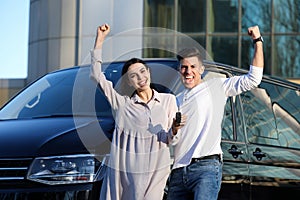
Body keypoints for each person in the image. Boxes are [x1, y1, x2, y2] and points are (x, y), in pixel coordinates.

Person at [166, 25, 264, 200]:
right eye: (184, 67)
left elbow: (253, 79)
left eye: (193, 67)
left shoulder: (217, 86)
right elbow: (172, 140)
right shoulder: (175, 100)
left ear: (202, 69)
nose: (188, 72)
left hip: (206, 167)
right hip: (178, 171)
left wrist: (257, 41)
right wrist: (174, 129)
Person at [90, 24, 185, 200]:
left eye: (142, 71)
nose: (140, 78)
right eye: (133, 76)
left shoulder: (167, 100)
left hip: (156, 172)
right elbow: (96, 75)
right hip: (127, 175)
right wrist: (100, 40)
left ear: (149, 72)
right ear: (128, 82)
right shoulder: (122, 104)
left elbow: (169, 140)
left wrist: (175, 129)